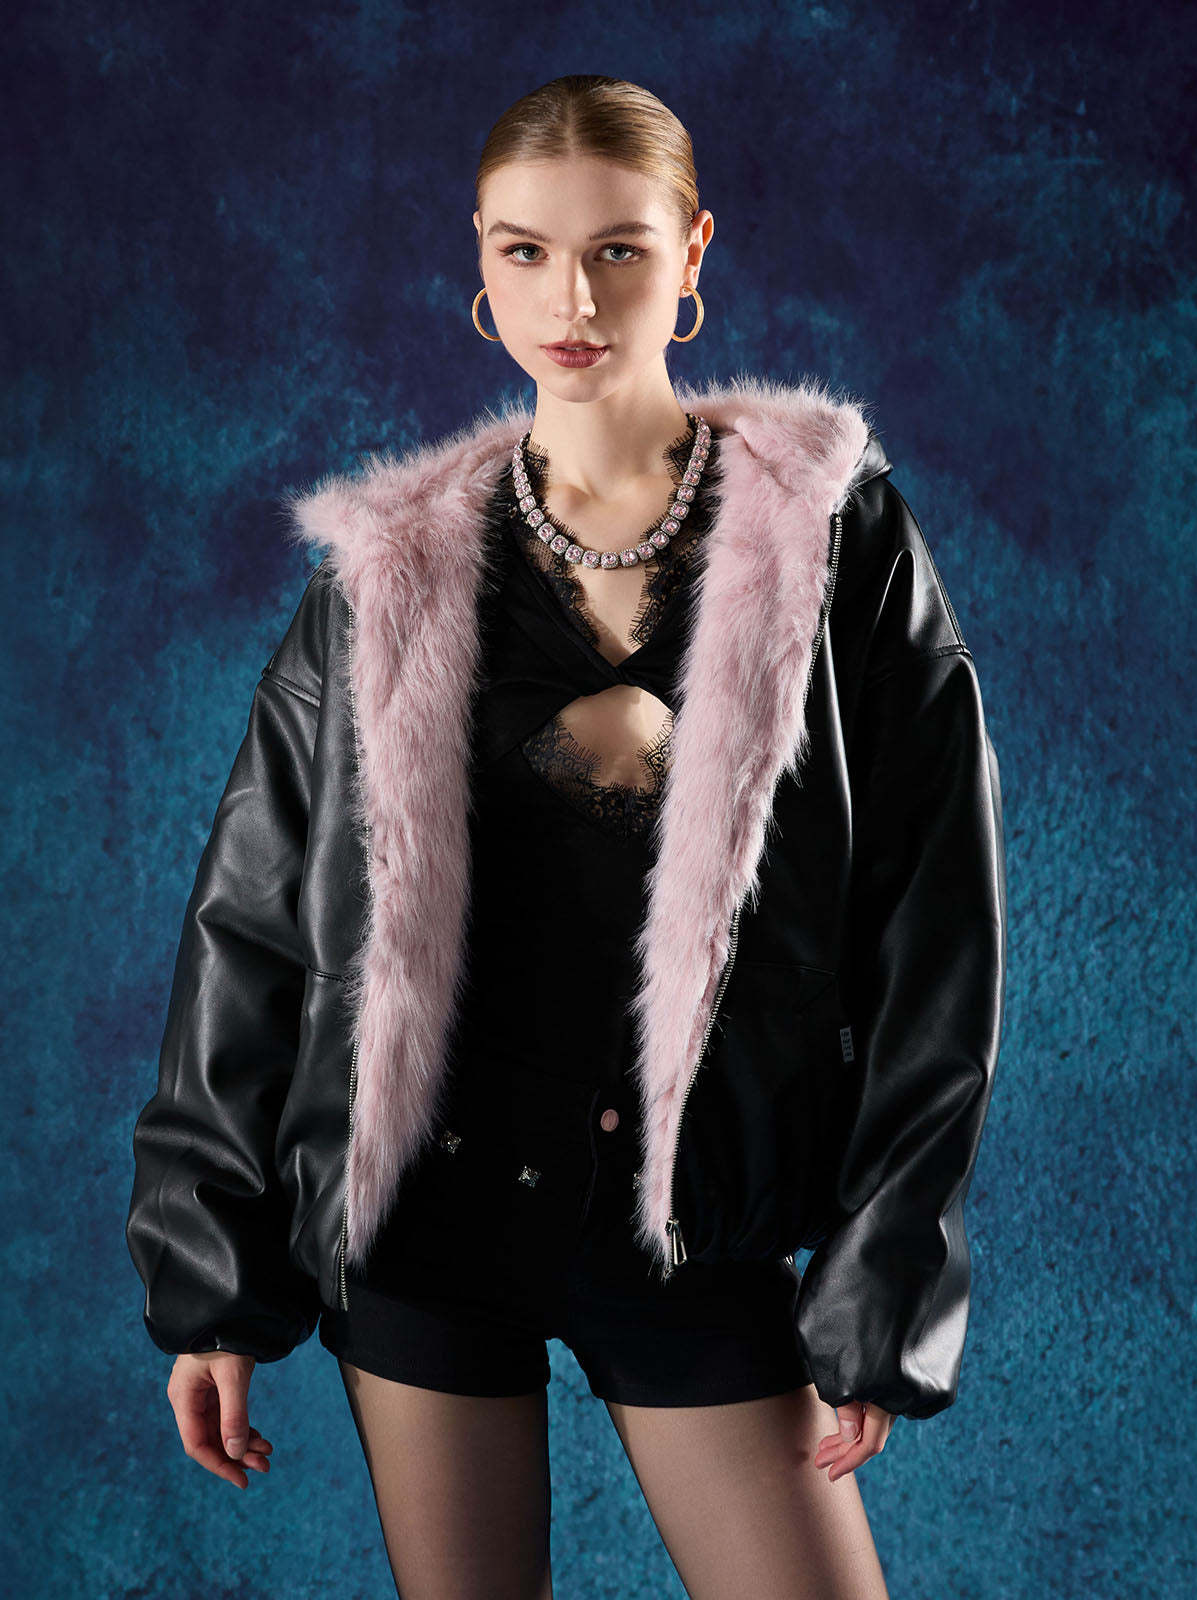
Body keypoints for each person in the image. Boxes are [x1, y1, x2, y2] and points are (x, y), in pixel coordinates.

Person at [126, 74, 1006, 1600]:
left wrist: (882, 1278)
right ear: (479, 257)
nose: (573, 299)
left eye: (619, 251)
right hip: (426, 1220)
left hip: (690, 1224)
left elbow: (939, 933)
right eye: (525, 252)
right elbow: (252, 921)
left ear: (695, 250)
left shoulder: (830, 538)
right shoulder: (390, 568)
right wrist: (211, 1280)